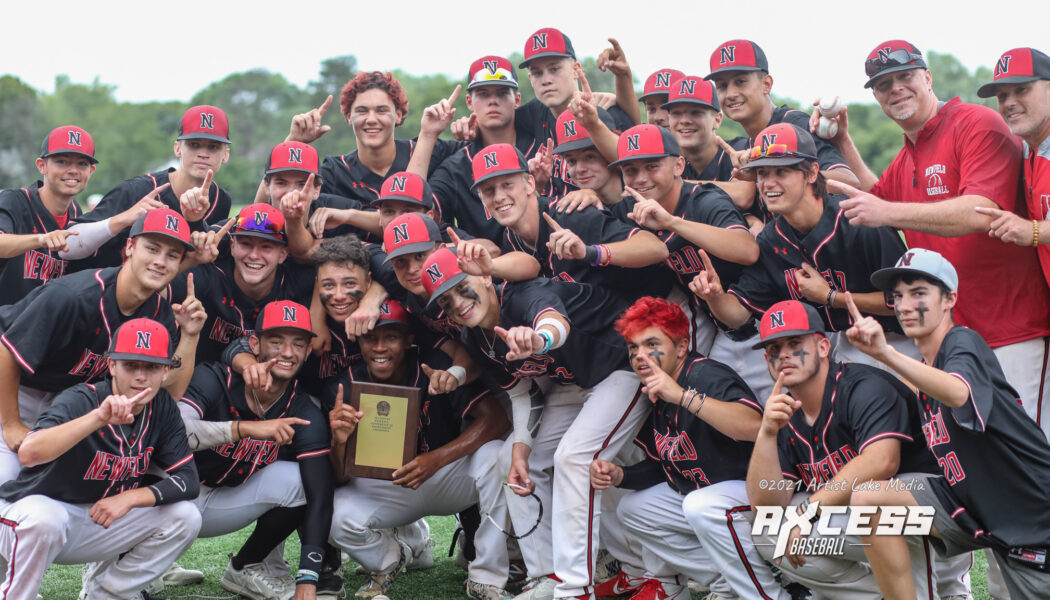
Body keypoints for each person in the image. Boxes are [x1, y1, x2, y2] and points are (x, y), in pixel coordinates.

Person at [822, 39, 1050, 438]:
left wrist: (888, 212)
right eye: (883, 84)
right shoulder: (911, 148)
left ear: (927, 78)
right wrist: (842, 144)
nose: (895, 88)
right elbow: (878, 198)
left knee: (1029, 450)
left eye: (905, 76)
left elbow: (980, 210)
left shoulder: (975, 122)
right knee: (989, 454)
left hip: (1013, 327)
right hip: (958, 335)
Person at [422, 248, 646, 600]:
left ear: (484, 277)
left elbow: (555, 323)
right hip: (574, 384)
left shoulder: (522, 294)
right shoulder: (474, 336)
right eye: (447, 301)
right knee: (511, 462)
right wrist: (522, 452)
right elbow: (525, 395)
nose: (458, 303)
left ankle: (575, 588)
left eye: (461, 288)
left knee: (572, 458)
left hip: (622, 367)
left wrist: (539, 338)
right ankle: (548, 575)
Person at [846, 248, 1050, 599]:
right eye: (897, 297)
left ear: (949, 299)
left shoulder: (963, 342)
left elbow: (958, 393)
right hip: (972, 508)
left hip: (1032, 523)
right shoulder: (925, 370)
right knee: (868, 499)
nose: (905, 306)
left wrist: (886, 355)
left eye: (918, 293)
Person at [738, 299, 941, 599]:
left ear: (822, 347)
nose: (784, 355)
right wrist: (767, 433)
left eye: (795, 343)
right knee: (769, 532)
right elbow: (765, 504)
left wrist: (806, 513)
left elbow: (882, 461)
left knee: (873, 502)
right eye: (774, 349)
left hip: (919, 509)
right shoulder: (784, 412)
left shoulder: (862, 386)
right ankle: (881, 594)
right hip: (854, 508)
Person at [589, 296, 777, 600]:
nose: (640, 355)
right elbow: (669, 465)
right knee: (635, 509)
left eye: (651, 344)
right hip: (713, 498)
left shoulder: (703, 375)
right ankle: (727, 583)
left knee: (699, 505)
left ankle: (766, 595)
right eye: (633, 348)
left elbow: (755, 426)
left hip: (757, 491)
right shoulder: (660, 391)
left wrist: (683, 397)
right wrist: (620, 475)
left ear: (680, 347)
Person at [0, 208, 207, 483]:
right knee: (7, 477)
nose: (160, 261)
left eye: (172, 255)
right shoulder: (73, 296)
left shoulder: (159, 314)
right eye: (153, 249)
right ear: (130, 247)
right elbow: (7, 350)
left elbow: (168, 391)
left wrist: (190, 336)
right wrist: (11, 424)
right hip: (15, 387)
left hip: (64, 397)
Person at [690, 123, 915, 375]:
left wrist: (831, 297)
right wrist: (715, 296)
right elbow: (740, 314)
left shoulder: (858, 220)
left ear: (811, 173)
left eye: (781, 171)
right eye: (762, 173)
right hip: (843, 343)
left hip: (904, 340)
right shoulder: (771, 240)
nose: (769, 183)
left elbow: (908, 299)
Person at [0, 318, 201, 600]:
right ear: (111, 366)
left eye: (152, 367)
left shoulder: (162, 408)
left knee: (185, 516)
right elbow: (30, 454)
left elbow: (189, 481)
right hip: (30, 516)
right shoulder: (81, 399)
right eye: (130, 365)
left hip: (94, 521)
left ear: (166, 371)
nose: (141, 376)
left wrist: (130, 498)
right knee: (46, 519)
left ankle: (104, 595)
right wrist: (99, 418)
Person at [326, 299, 512, 600]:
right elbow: (338, 477)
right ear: (359, 340)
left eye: (391, 337)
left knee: (494, 454)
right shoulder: (345, 384)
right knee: (333, 513)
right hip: (390, 487)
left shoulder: (433, 365)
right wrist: (339, 441)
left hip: (447, 475)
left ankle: (486, 576)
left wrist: (436, 459)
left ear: (409, 340)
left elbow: (497, 418)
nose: (380, 347)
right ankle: (388, 558)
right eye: (371, 337)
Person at [179, 300, 337, 600]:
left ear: (307, 351)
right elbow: (175, 434)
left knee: (299, 481)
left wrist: (308, 579)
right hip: (171, 499)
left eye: (298, 344)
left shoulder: (302, 408)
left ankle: (244, 567)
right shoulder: (215, 377)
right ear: (255, 343)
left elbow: (320, 495)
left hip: (225, 502)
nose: (288, 353)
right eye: (276, 342)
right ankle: (121, 572)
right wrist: (243, 429)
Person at [470, 142, 670, 302]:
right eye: (488, 190)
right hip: (607, 331)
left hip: (658, 308)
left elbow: (656, 248)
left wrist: (591, 252)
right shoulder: (510, 240)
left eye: (507, 184)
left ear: (530, 184)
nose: (499, 197)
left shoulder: (569, 213)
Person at [73, 105, 233, 270]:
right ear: (178, 148)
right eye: (194, 144)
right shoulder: (136, 190)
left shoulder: (221, 200)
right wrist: (125, 217)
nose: (203, 153)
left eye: (213, 147)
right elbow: (69, 244)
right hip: (103, 288)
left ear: (226, 154)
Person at [281, 72, 462, 207]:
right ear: (348, 117)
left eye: (382, 110)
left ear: (398, 115)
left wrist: (473, 129)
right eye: (361, 111)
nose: (372, 119)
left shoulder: (429, 149)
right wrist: (292, 141)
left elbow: (482, 152)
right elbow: (270, 206)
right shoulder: (335, 172)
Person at [410, 55, 540, 241]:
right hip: (485, 267)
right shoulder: (458, 165)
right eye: (483, 94)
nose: (493, 101)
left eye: (502, 93)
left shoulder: (540, 143)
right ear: (469, 102)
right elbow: (416, 213)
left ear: (517, 100)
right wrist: (466, 242)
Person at [704, 39, 859, 188]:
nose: (730, 93)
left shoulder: (795, 125)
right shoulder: (747, 145)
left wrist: (774, 172)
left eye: (740, 82)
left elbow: (848, 181)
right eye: (722, 85)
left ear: (766, 84)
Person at [173, 202, 313, 364]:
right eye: (246, 244)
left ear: (282, 254)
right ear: (232, 246)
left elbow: (332, 272)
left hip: (271, 383)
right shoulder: (209, 273)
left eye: (266, 247)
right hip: (200, 381)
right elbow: (150, 290)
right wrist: (190, 260)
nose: (254, 255)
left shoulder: (295, 280)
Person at [975, 48, 1050, 287]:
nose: (1010, 103)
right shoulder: (1024, 149)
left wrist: (1033, 232)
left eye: (1021, 90)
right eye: (1002, 96)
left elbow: (1033, 231)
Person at [0, 126, 95, 305]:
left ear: (91, 171)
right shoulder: (15, 201)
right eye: (62, 161)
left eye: (82, 163)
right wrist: (41, 239)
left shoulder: (76, 213)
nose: (73, 170)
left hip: (45, 326)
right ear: (42, 166)